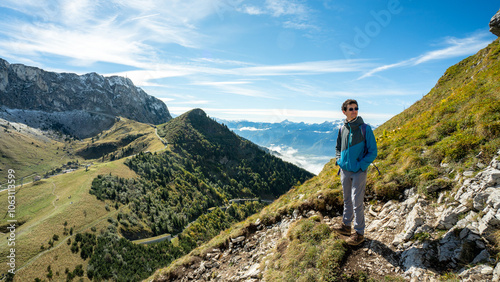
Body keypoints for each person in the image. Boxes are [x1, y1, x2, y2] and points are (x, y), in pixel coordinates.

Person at [333, 99, 377, 246]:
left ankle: (359, 233)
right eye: (350, 109)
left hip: (358, 171)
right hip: (345, 170)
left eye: (356, 108)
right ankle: (346, 226)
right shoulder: (342, 129)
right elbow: (338, 147)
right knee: (347, 199)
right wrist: (339, 160)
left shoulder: (365, 129)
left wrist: (361, 165)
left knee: (357, 201)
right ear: (344, 111)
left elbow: (373, 152)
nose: (354, 111)